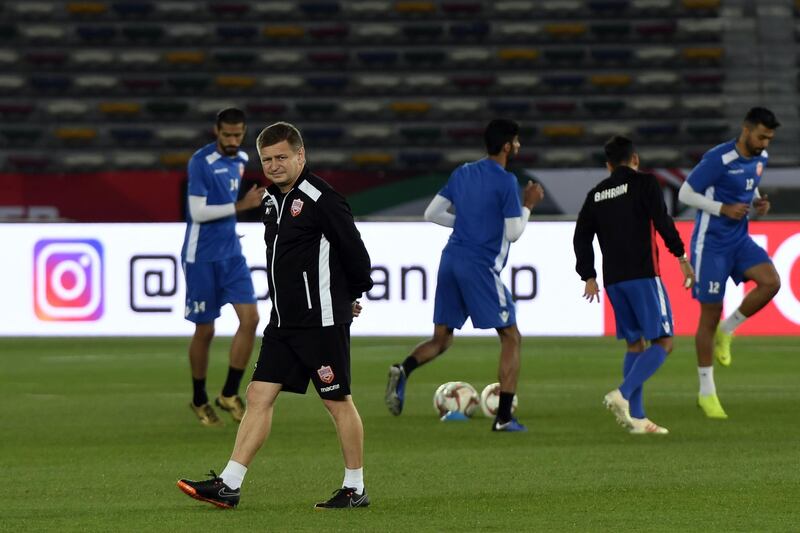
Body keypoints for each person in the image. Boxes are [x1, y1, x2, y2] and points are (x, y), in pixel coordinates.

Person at [177, 122, 374, 509]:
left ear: (301, 155)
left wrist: (349, 295)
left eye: (282, 157)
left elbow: (357, 256)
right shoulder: (271, 200)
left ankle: (355, 488)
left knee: (336, 400)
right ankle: (229, 485)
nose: (274, 165)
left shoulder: (322, 198)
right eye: (267, 159)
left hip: (320, 321)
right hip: (283, 322)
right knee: (258, 395)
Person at [384, 118, 544, 432]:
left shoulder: (463, 172)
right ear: (507, 145)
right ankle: (504, 418)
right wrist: (529, 205)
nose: (519, 146)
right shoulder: (506, 181)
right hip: (479, 265)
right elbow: (513, 233)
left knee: (441, 338)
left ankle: (403, 369)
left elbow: (432, 213)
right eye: (516, 141)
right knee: (511, 337)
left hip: (450, 259)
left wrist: (465, 224)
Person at [573, 135, 694, 434]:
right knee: (664, 342)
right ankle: (623, 394)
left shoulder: (596, 194)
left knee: (634, 344)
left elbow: (581, 236)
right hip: (643, 275)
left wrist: (588, 275)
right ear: (635, 159)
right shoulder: (645, 183)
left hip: (614, 281)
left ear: (608, 166)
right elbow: (662, 220)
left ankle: (637, 419)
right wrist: (680, 254)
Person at [678, 107, 781, 419]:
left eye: (770, 138)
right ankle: (707, 392)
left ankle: (729, 330)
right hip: (710, 245)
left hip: (739, 240)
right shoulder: (718, 159)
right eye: (761, 136)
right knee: (708, 315)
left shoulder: (760, 158)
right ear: (746, 129)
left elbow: (749, 186)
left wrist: (757, 202)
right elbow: (685, 193)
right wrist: (721, 207)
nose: (765, 143)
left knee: (771, 283)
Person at [181, 107, 265, 427]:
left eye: (238, 135)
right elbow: (197, 212)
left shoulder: (241, 160)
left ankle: (229, 393)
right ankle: (199, 397)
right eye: (227, 135)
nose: (233, 140)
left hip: (232, 253)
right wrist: (242, 205)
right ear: (216, 131)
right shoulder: (200, 162)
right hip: (200, 256)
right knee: (206, 329)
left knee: (251, 318)